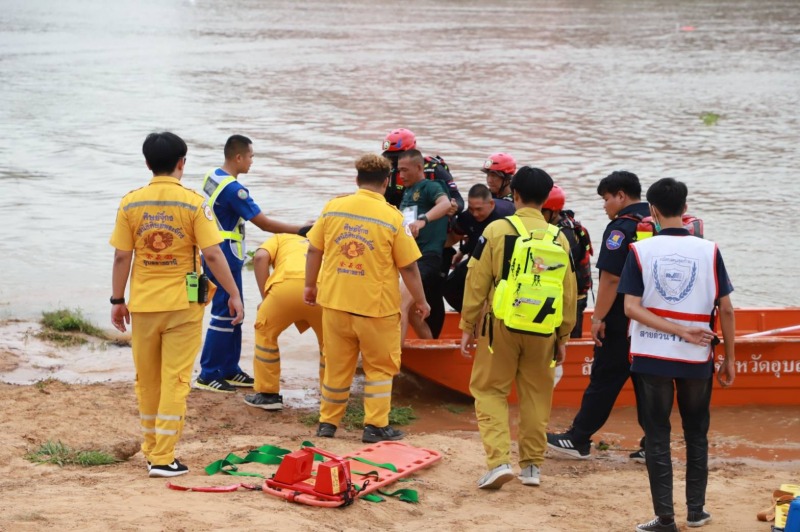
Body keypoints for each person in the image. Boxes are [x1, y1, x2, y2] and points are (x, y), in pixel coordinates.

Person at [109, 132, 244, 478]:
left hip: (143, 305)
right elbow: (213, 254)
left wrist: (117, 300)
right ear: (182, 163)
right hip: (183, 306)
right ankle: (162, 457)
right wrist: (233, 293)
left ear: (147, 163)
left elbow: (123, 256)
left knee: (148, 379)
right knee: (176, 379)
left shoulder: (130, 203)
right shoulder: (194, 202)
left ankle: (153, 448)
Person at [619, 178, 735, 532]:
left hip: (650, 354)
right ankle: (696, 512)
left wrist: (676, 329)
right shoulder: (710, 250)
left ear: (652, 211)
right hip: (696, 356)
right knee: (696, 432)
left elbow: (631, 308)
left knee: (657, 435)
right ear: (685, 209)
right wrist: (729, 357)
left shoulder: (640, 251)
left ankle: (665, 518)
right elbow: (727, 310)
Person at [459, 166, 577, 490]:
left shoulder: (497, 230)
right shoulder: (560, 238)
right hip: (545, 328)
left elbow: (476, 279)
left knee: (489, 390)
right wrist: (564, 335)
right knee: (537, 395)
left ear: (515, 195)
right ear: (545, 199)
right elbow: (568, 292)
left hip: (501, 326)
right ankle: (532, 468)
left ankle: (498, 462)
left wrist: (468, 324)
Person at [304, 153, 430, 443]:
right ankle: (374, 427)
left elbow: (313, 250)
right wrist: (421, 301)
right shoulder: (392, 218)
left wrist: (310, 286)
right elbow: (408, 266)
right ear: (387, 181)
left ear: (356, 179)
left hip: (335, 303)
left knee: (336, 366)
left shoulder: (333, 208)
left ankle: (327, 424)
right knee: (379, 368)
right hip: (376, 309)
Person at [547, 170, 650, 460]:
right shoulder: (655, 221)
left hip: (620, 319)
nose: (604, 206)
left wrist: (597, 318)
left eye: (606, 199)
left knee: (604, 378)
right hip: (652, 319)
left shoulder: (620, 228)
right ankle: (654, 444)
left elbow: (610, 279)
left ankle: (578, 439)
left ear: (620, 195)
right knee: (646, 383)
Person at [195, 135, 303, 393]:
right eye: (251, 156)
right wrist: (302, 230)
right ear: (238, 157)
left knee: (235, 311)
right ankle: (208, 372)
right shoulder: (235, 190)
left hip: (217, 248)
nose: (253, 161)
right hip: (224, 253)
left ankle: (230, 369)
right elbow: (263, 223)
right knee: (223, 312)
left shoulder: (213, 176)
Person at [244, 233, 323, 411]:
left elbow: (260, 257)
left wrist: (266, 298)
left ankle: (268, 395)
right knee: (331, 344)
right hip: (322, 289)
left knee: (266, 334)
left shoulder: (281, 238)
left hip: (284, 288)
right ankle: (331, 397)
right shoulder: (324, 239)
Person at [397, 149, 452, 339]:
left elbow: (445, 205)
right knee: (412, 312)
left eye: (405, 170)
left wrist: (423, 220)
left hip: (426, 258)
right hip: (408, 258)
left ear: (419, 167)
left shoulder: (431, 186)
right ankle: (428, 344)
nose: (401, 175)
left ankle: (392, 364)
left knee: (400, 304)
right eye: (399, 171)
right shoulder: (407, 192)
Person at [443, 183, 515, 312]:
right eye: (471, 209)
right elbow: (453, 238)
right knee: (449, 287)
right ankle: (470, 315)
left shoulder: (509, 213)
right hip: (476, 260)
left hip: (503, 263)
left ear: (491, 204)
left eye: (479, 209)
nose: (475, 214)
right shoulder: (466, 217)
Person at [541, 184, 594, 338]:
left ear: (554, 211)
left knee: (567, 340)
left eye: (542, 212)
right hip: (564, 295)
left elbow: (553, 269)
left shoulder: (565, 235)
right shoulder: (560, 226)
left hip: (572, 299)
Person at [381, 128, 464, 213]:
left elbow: (458, 200)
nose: (392, 163)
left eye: (396, 158)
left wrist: (454, 206)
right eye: (388, 158)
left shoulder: (434, 170)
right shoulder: (385, 171)